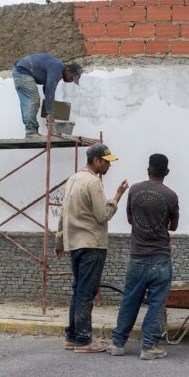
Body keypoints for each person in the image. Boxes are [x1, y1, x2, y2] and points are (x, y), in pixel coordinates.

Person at [55, 143, 128, 353]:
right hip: (92, 245)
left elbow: (63, 214)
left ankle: (72, 336)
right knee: (86, 293)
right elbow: (103, 215)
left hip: (74, 244)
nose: (109, 166)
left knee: (78, 291)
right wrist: (117, 196)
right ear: (96, 161)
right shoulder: (94, 182)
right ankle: (83, 341)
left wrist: (60, 242)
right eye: (106, 162)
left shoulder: (73, 179)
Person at [107, 154, 179, 360]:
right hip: (160, 258)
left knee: (130, 299)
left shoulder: (134, 190)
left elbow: (130, 219)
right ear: (166, 172)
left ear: (148, 170)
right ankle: (149, 347)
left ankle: (117, 343)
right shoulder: (171, 195)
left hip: (137, 255)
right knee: (156, 303)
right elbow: (174, 226)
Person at [12, 53, 82, 138]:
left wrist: (49, 109)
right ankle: (31, 132)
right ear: (68, 69)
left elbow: (46, 88)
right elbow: (49, 90)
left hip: (22, 70)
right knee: (33, 99)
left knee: (33, 99)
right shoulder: (57, 68)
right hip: (22, 71)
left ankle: (31, 131)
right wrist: (50, 113)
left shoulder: (58, 69)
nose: (71, 81)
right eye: (72, 77)